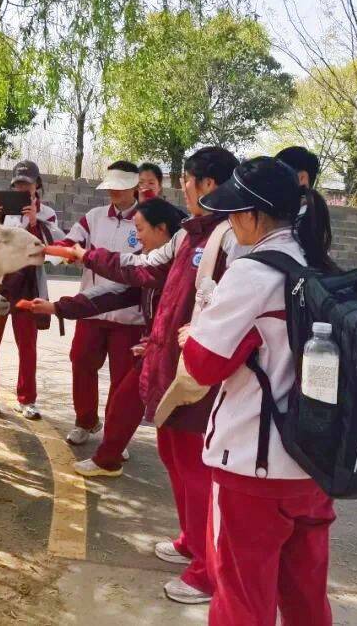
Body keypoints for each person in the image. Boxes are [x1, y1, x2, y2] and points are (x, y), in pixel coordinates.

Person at [69, 146, 241, 606]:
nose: (181, 188)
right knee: (173, 455)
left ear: (206, 184)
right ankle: (191, 540)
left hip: (198, 373)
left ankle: (207, 570)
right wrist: (86, 255)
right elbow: (142, 269)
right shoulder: (189, 235)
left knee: (196, 468)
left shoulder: (230, 238)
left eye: (186, 180)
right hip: (170, 367)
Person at [179, 156, 336, 626]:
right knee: (307, 596)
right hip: (314, 462)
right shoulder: (318, 263)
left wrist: (195, 332)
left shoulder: (253, 273)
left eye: (232, 214)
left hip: (254, 462)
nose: (229, 224)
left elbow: (204, 364)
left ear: (251, 215)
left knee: (242, 598)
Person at [27, 198, 188, 477]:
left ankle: (114, 458)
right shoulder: (151, 255)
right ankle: (107, 456)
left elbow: (124, 270)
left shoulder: (177, 262)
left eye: (140, 229)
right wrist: (58, 307)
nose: (136, 236)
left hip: (179, 352)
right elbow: (115, 293)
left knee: (173, 426)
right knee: (127, 400)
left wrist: (87, 256)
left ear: (162, 229)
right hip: (158, 347)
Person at [53, 161, 146, 445]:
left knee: (123, 378)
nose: (114, 192)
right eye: (111, 187)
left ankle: (116, 438)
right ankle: (86, 421)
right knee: (81, 362)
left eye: (120, 187)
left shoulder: (146, 221)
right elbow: (71, 243)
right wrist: (60, 253)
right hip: (91, 310)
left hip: (129, 316)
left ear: (135, 186)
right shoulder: (93, 217)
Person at [0, 161, 63, 420]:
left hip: (28, 286)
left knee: (27, 346)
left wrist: (33, 223)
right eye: (18, 184)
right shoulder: (1, 211)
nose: (22, 188)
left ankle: (27, 400)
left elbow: (53, 250)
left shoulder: (47, 214)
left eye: (27, 184)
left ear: (37, 185)